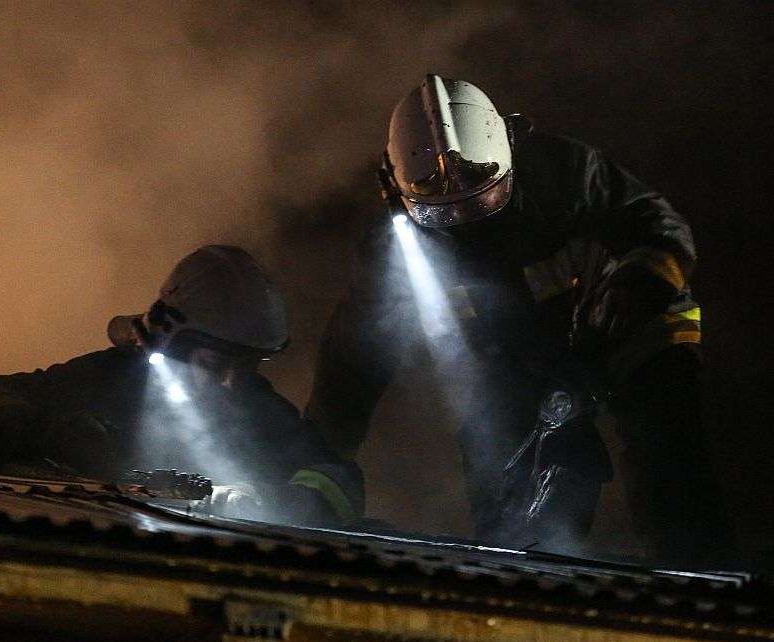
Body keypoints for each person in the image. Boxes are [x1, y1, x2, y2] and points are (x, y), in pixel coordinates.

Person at [306, 74, 731, 563]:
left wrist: (639, 287)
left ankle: (701, 570)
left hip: (631, 325)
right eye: (441, 212)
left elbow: (658, 225)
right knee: (508, 475)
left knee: (667, 458)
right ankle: (522, 572)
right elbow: (354, 362)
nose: (467, 222)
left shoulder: (565, 171)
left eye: (482, 198)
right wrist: (316, 460)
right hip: (519, 357)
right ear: (394, 189)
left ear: (510, 148)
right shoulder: (394, 251)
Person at [0, 245, 362, 527]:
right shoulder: (110, 379)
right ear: (173, 345)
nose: (230, 382)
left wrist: (289, 500)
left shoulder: (258, 409)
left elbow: (338, 477)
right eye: (214, 364)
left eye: (246, 366)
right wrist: (49, 434)